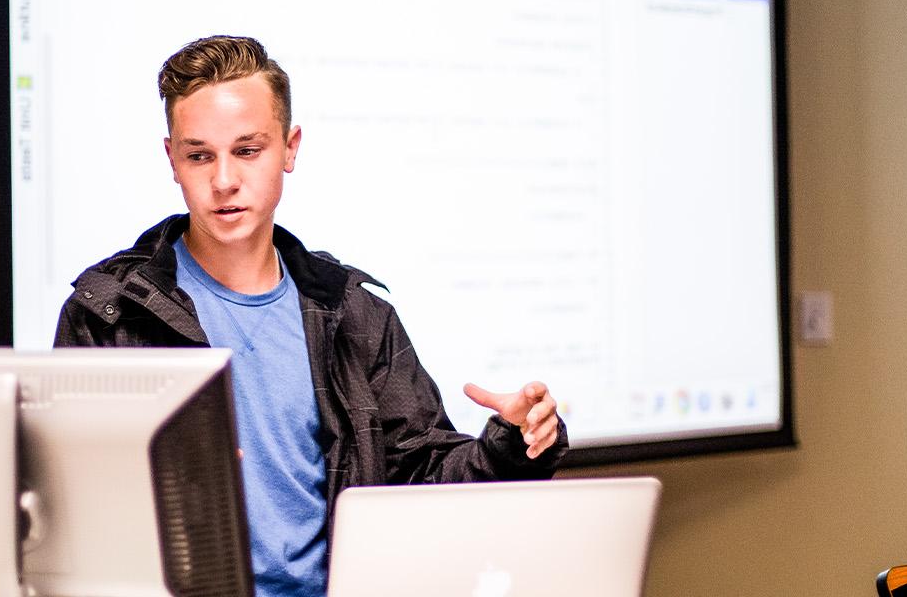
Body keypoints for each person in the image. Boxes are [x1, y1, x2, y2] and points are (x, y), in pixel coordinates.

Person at [53, 35, 568, 597]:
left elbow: (422, 481)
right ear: (172, 159)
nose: (223, 180)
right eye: (200, 154)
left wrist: (511, 442)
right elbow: (64, 514)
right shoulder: (107, 314)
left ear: (290, 148)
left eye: (248, 150)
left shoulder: (354, 314)